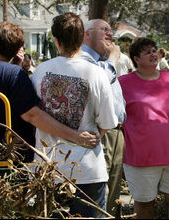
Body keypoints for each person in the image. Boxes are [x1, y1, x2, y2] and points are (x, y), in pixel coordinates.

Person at [0, 21, 100, 166]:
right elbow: (32, 115)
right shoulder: (14, 74)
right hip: (5, 158)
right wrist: (76, 137)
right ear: (17, 49)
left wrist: (15, 66)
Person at [31, 13, 118, 218]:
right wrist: (85, 136)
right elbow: (107, 122)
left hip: (48, 167)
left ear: (56, 41)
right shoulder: (96, 73)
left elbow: (34, 114)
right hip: (87, 168)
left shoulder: (40, 71)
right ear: (82, 39)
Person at [118, 37, 169, 219]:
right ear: (136, 59)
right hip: (140, 156)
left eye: (154, 50)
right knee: (144, 205)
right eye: (147, 52)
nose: (153, 54)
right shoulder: (123, 83)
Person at [81, 19, 127, 216]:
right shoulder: (83, 58)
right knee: (99, 193)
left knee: (114, 195)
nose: (110, 34)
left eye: (111, 30)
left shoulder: (104, 62)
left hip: (117, 132)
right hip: (99, 133)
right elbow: (98, 86)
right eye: (104, 30)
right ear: (87, 34)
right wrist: (113, 60)